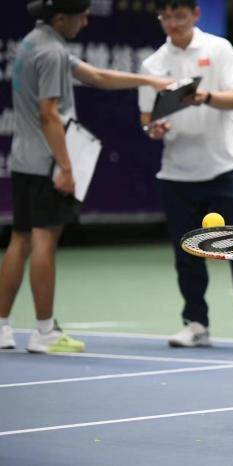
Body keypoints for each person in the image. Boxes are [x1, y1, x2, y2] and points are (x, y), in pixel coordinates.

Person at [0, 0, 170, 353]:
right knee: (44, 241)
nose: (86, 20)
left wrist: (149, 79)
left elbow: (96, 76)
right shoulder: (51, 53)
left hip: (23, 160)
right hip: (48, 163)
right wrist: (65, 166)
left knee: (20, 241)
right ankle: (44, 331)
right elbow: (49, 114)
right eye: (81, 14)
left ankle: (2, 326)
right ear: (62, 17)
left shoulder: (35, 42)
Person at [138, 0, 233, 350]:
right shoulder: (153, 64)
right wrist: (153, 130)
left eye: (180, 15)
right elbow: (147, 119)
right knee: (186, 254)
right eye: (167, 16)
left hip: (226, 168)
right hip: (177, 174)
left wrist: (204, 96)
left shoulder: (219, 49)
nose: (173, 23)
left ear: (195, 15)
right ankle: (196, 323)